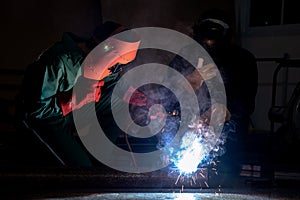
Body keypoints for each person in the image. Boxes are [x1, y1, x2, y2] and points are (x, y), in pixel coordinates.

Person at [17, 21, 143, 167]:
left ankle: (97, 154)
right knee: (83, 171)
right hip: (47, 120)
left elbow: (111, 79)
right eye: (116, 65)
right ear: (103, 48)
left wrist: (132, 94)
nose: (116, 69)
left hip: (73, 114)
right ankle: (82, 161)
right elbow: (34, 110)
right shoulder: (58, 61)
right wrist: (73, 100)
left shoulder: (104, 62)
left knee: (120, 103)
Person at [192, 9, 258, 176]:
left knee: (225, 173)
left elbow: (247, 102)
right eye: (204, 43)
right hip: (191, 129)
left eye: (212, 43)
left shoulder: (243, 60)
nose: (208, 47)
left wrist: (225, 110)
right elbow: (167, 91)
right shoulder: (187, 55)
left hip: (229, 133)